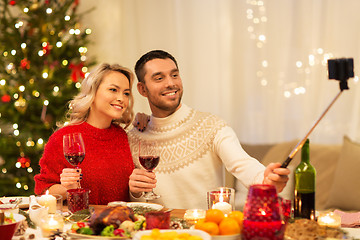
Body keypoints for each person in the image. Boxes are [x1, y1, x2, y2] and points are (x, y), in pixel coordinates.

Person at [128, 50, 290, 209]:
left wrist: (266, 179)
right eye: (159, 78)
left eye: (175, 75)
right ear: (142, 89)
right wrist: (134, 192)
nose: (170, 83)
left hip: (206, 230)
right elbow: (131, 203)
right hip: (157, 233)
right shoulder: (134, 138)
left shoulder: (211, 126)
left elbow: (242, 164)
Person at [34, 63, 136, 205]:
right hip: (80, 224)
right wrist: (66, 189)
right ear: (92, 93)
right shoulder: (63, 138)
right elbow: (42, 191)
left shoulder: (123, 136)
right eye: (113, 90)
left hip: (121, 224)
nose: (122, 99)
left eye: (126, 93)